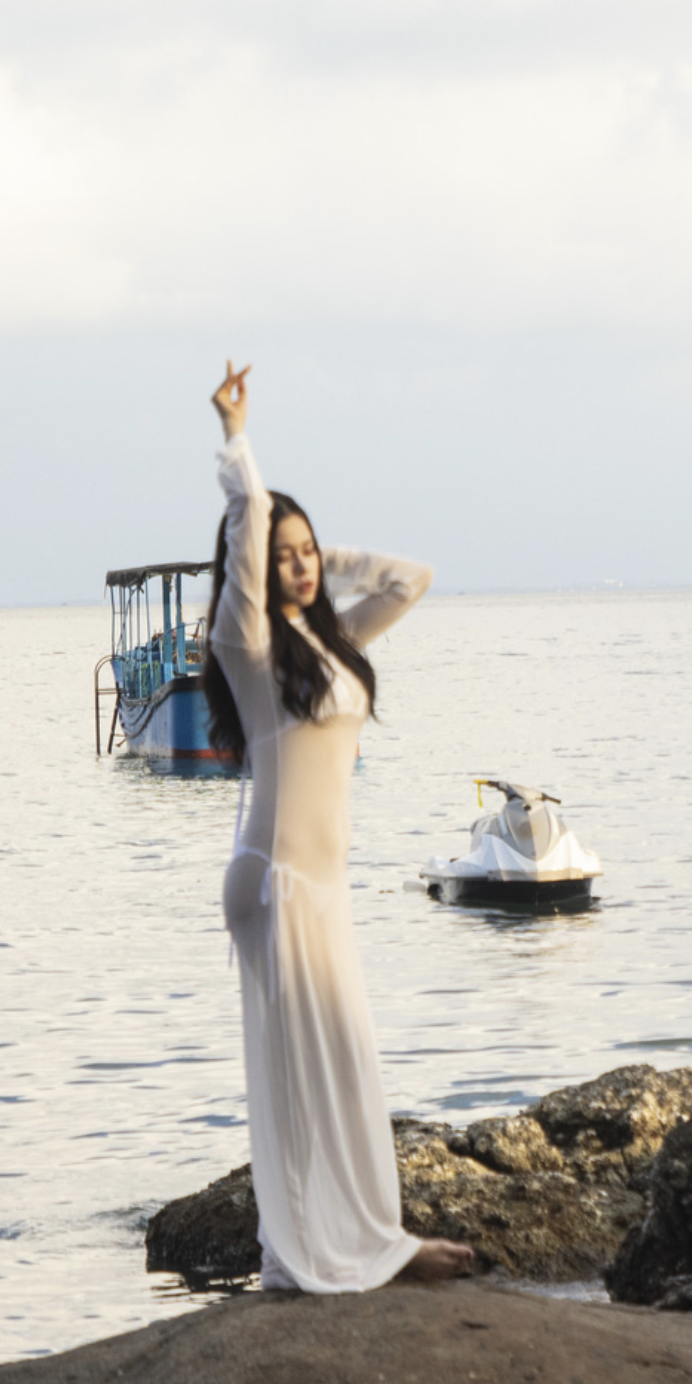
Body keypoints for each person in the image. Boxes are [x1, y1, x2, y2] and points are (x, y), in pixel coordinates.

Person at [202, 361, 474, 1290]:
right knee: (300, 1076)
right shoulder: (248, 648)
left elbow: (413, 577)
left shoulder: (331, 639)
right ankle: (313, 1252)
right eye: (284, 555)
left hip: (322, 885)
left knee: (345, 1067)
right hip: (274, 879)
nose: (299, 563)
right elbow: (248, 556)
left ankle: (364, 1241)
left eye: (307, 550)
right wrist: (245, 462)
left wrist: (320, 556)